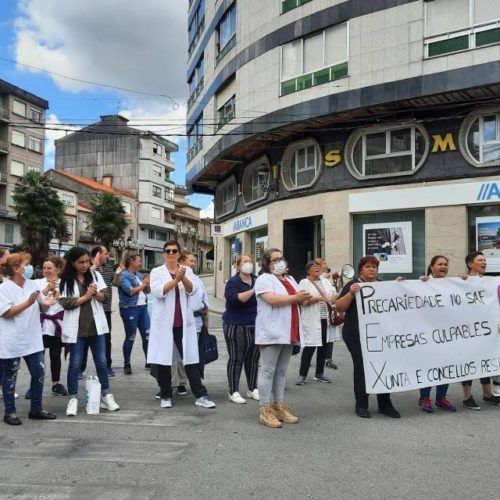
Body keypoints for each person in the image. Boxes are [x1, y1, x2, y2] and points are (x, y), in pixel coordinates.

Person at [147, 240, 215, 409]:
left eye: (174, 251)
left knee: (190, 359)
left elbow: (192, 290)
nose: (171, 253)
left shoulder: (187, 271)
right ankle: (166, 394)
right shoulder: (156, 271)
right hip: (164, 324)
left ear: (178, 254)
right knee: (164, 360)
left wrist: (182, 276)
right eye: (168, 251)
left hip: (184, 323)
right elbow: (158, 291)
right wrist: (175, 280)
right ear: (164, 253)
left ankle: (200, 395)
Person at [335, 256, 401, 419]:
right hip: (355, 333)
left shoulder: (382, 286)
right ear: (361, 269)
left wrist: (400, 286)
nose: (372, 270)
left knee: (383, 365)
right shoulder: (353, 285)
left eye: (374, 267)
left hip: (379, 334)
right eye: (368, 267)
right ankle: (361, 404)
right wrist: (351, 294)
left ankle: (385, 403)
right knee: (362, 366)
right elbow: (339, 307)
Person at [59, 247, 120, 416]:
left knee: (101, 362)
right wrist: (86, 296)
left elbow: (105, 297)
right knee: (75, 364)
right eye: (81, 262)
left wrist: (96, 294)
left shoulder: (95, 276)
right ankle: (73, 398)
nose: (85, 265)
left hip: (96, 328)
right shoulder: (65, 280)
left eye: (87, 262)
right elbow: (65, 302)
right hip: (77, 330)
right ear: (72, 263)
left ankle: (106, 395)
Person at [254, 248, 311, 428]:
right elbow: (272, 299)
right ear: (267, 263)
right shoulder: (264, 279)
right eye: (275, 260)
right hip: (272, 331)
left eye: (281, 259)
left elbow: (299, 299)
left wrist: (306, 297)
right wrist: (296, 297)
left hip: (288, 331)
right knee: (268, 370)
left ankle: (278, 405)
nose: (280, 262)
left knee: (282, 371)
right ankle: (265, 409)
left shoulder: (290, 279)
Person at [0, 253, 57, 425]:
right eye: (26, 264)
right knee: (10, 375)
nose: (30, 268)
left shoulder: (33, 285)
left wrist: (47, 304)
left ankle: (36, 409)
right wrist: (28, 303)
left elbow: (41, 308)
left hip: (33, 339)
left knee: (38, 371)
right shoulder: (4, 288)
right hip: (12, 339)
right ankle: (10, 412)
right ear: (17, 269)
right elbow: (7, 313)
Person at [417, 255, 457, 413]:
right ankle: (424, 398)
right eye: (440, 264)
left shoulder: (453, 284)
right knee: (428, 366)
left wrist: (466, 281)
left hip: (446, 334)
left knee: (444, 366)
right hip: (426, 334)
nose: (443, 267)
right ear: (432, 267)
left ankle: (441, 398)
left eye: (446, 264)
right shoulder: (422, 283)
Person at [461, 251, 499, 409]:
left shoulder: (490, 283)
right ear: (470, 264)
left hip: (487, 330)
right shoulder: (462, 281)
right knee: (469, 361)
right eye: (480, 260)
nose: (484, 262)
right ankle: (467, 397)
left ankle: (488, 394)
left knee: (485, 360)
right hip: (468, 330)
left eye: (485, 260)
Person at [222, 254, 259, 404]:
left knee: (254, 359)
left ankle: (252, 388)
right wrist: (254, 290)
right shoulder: (233, 282)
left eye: (250, 261)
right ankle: (233, 391)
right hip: (235, 325)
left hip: (255, 325)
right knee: (236, 359)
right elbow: (237, 300)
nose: (248, 264)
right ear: (238, 266)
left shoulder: (256, 280)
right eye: (245, 261)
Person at [296, 259, 338, 385]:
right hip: (311, 319)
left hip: (325, 318)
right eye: (313, 266)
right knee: (310, 346)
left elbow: (335, 295)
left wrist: (332, 298)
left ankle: (319, 373)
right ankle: (302, 375)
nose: (317, 268)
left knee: (323, 346)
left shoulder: (325, 281)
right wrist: (318, 298)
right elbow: (301, 301)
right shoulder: (304, 282)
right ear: (308, 270)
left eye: (318, 266)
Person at [36, 256, 67, 397]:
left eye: (49, 268)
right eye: (44, 268)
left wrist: (58, 295)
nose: (46, 271)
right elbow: (34, 302)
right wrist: (45, 290)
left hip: (57, 325)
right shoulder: (37, 283)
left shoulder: (65, 284)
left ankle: (56, 383)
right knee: (37, 357)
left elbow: (68, 304)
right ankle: (35, 384)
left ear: (58, 269)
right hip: (40, 325)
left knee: (55, 355)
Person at [116, 252, 150, 375]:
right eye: (139, 260)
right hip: (129, 307)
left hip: (143, 307)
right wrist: (144, 285)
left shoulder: (139, 275)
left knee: (147, 334)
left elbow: (147, 291)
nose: (140, 263)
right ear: (131, 261)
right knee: (131, 336)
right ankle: (127, 363)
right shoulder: (123, 275)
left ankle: (149, 360)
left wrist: (147, 284)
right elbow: (130, 291)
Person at [90, 246, 115, 377]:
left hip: (106, 309)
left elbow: (113, 283)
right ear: (98, 254)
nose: (108, 256)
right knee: (85, 339)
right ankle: (80, 368)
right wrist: (93, 266)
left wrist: (119, 274)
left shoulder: (109, 268)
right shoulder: (88, 267)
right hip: (90, 310)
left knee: (106, 339)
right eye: (105, 253)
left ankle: (107, 366)